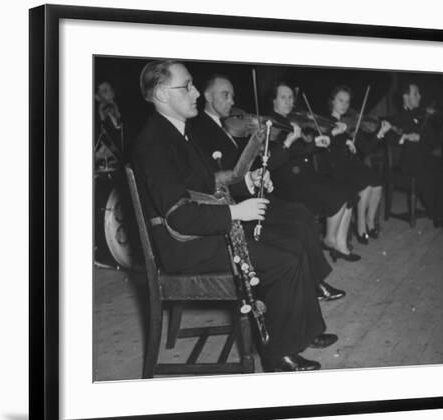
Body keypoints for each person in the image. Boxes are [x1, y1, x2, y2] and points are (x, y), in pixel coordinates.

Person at [132, 60, 338, 372]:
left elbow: (203, 185)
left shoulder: (175, 132)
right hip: (186, 247)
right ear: (161, 94)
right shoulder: (154, 144)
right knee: (283, 260)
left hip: (201, 231)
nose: (197, 92)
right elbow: (180, 216)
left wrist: (247, 182)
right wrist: (235, 212)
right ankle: (277, 356)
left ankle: (298, 333)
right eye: (186, 86)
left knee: (292, 239)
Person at [189, 73, 347, 300]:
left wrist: (257, 158)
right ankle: (313, 284)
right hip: (236, 203)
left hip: (251, 190)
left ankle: (314, 282)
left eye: (233, 95)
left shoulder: (229, 123)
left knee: (301, 215)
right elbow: (219, 176)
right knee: (298, 217)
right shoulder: (200, 130)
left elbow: (251, 162)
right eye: (225, 95)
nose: (232, 101)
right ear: (207, 96)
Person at [267, 81, 360, 262]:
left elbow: (305, 149)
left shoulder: (293, 122)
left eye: (290, 98)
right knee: (337, 196)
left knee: (348, 191)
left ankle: (339, 243)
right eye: (283, 97)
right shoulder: (271, 125)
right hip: (286, 181)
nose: (288, 101)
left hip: (304, 175)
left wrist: (317, 142)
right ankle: (329, 239)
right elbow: (285, 155)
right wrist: (311, 144)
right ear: (274, 101)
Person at [377, 82, 443, 230]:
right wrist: (406, 136)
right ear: (405, 97)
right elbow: (389, 136)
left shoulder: (421, 117)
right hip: (407, 163)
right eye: (416, 93)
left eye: (419, 93)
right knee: (428, 169)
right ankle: (437, 215)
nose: (420, 96)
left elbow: (432, 141)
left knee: (442, 171)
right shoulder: (397, 118)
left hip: (422, 159)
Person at [325, 86, 384, 244]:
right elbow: (325, 147)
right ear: (332, 101)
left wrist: (379, 133)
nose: (344, 105)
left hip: (352, 164)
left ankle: (370, 222)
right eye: (340, 100)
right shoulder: (326, 123)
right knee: (365, 186)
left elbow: (366, 149)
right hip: (338, 166)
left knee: (377, 184)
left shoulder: (350, 124)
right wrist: (342, 138)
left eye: (347, 102)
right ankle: (360, 227)